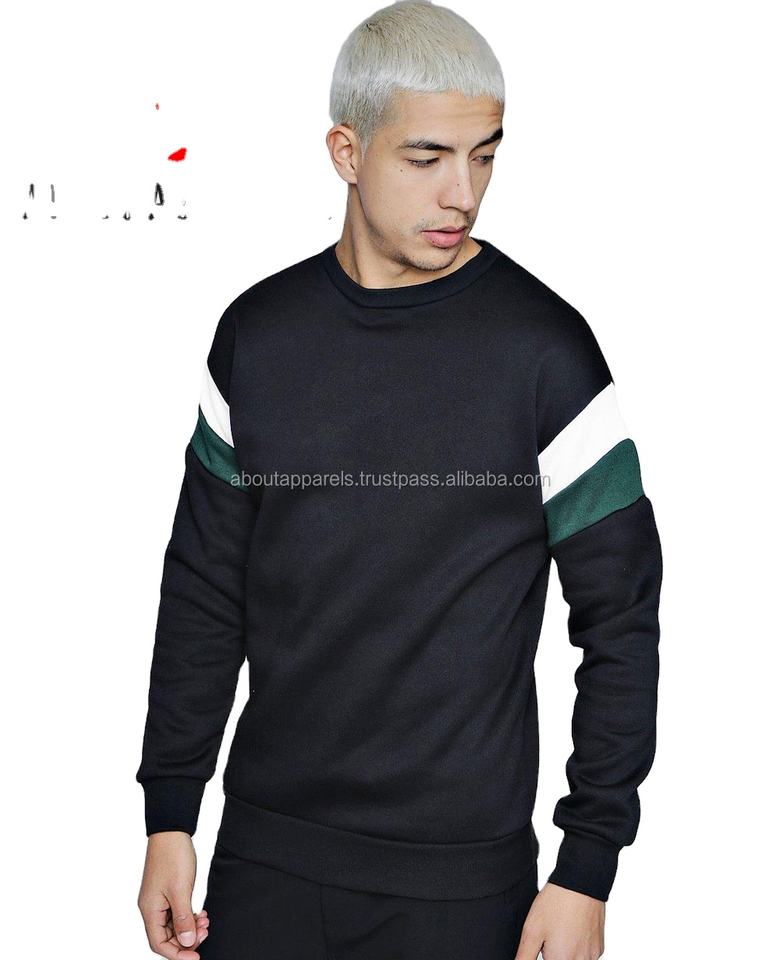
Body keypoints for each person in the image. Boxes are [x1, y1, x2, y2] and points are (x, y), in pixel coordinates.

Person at [135, 2, 663, 958]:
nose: (463, 193)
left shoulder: (547, 353)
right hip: (263, 865)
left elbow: (620, 619)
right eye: (427, 158)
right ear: (346, 151)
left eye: (485, 156)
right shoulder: (258, 337)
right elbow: (206, 587)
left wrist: (587, 866)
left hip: (460, 887)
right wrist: (170, 811)